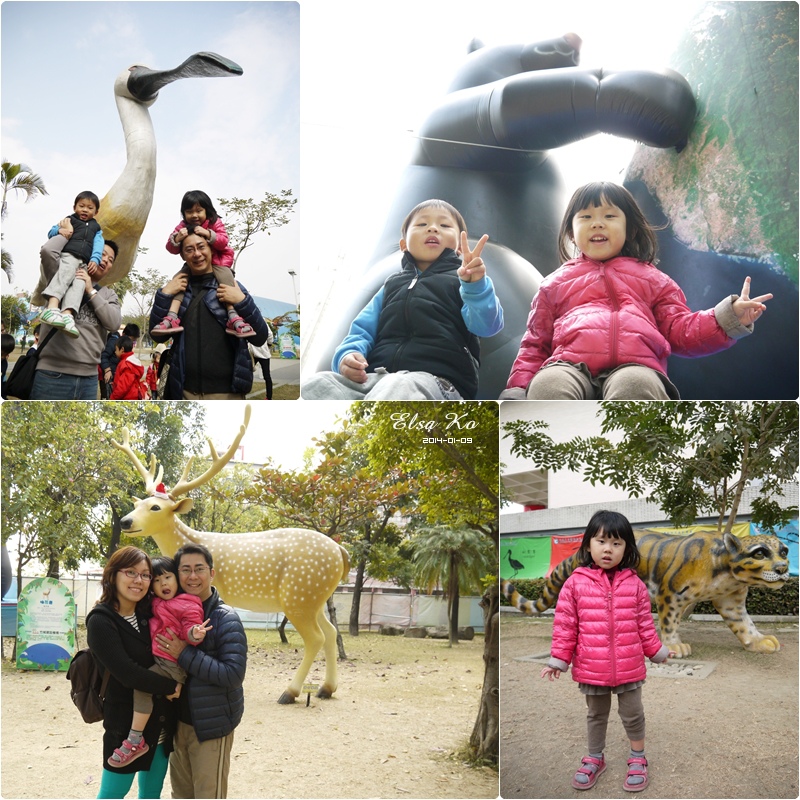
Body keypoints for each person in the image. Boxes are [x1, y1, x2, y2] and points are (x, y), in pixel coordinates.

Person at [501, 182, 773, 400]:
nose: (597, 223)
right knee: (548, 385)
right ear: (572, 233)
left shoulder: (654, 280)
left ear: (630, 229)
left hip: (635, 366)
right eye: (586, 217)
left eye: (609, 216)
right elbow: (535, 346)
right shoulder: (554, 285)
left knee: (635, 385)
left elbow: (680, 330)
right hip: (568, 366)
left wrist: (728, 318)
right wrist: (517, 391)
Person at [302, 199, 504, 400]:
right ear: (403, 244)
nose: (433, 228)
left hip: (437, 382)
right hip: (374, 379)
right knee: (318, 385)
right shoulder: (390, 285)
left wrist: (475, 286)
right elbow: (361, 330)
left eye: (444, 225)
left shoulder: (464, 283)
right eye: (422, 224)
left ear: (460, 246)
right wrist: (348, 355)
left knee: (398, 387)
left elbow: (486, 326)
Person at [541, 511, 674, 793]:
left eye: (617, 543)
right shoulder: (574, 583)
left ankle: (638, 758)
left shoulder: (635, 585)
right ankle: (594, 758)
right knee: (596, 715)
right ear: (588, 544)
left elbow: (645, 626)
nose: (608, 549)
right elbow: (566, 626)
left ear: (627, 549)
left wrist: (658, 651)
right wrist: (559, 659)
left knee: (633, 714)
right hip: (592, 667)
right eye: (601, 541)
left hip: (629, 666)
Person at [85, 546, 180, 799]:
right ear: (113, 575)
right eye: (130, 572)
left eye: (145, 575)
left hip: (160, 722)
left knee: (151, 793)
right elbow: (127, 673)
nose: (139, 581)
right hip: (127, 729)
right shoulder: (101, 620)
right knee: (112, 794)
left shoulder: (148, 614)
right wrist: (172, 687)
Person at [156, 543, 246, 799]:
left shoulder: (224, 618)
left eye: (199, 569)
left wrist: (183, 653)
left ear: (211, 573)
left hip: (210, 727)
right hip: (178, 724)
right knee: (181, 794)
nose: (192, 576)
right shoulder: (171, 608)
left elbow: (233, 674)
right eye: (185, 569)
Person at [108, 556, 210, 769]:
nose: (163, 583)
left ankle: (135, 739)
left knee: (142, 689)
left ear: (177, 580)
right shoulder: (153, 603)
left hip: (172, 665)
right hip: (162, 663)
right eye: (156, 579)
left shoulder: (187, 603)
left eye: (168, 577)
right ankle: (137, 737)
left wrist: (195, 633)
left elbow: (190, 625)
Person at [149, 232, 269, 399]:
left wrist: (242, 301)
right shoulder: (177, 289)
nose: (197, 254)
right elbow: (157, 336)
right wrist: (164, 294)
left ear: (212, 249)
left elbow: (260, 337)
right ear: (183, 255)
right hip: (185, 392)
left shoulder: (231, 286)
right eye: (189, 249)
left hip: (227, 394)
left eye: (201, 247)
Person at [152, 190, 254, 338]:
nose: (194, 215)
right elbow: (170, 248)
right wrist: (177, 238)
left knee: (227, 281)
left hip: (219, 263)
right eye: (189, 211)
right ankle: (172, 316)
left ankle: (233, 315)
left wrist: (208, 234)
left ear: (207, 210)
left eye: (199, 211)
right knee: (179, 281)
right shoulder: (182, 227)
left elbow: (224, 241)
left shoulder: (214, 222)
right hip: (192, 269)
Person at [30, 240, 122, 400]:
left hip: (89, 379)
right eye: (102, 254)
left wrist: (90, 291)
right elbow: (48, 251)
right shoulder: (61, 275)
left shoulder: (109, 295)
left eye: (111, 260)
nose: (106, 260)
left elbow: (114, 323)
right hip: (51, 374)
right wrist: (72, 232)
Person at [34, 191, 105, 338]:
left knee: (79, 286)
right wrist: (61, 230)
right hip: (69, 256)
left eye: (90, 208)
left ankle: (67, 315)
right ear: (74, 207)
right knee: (64, 276)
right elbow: (51, 231)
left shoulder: (96, 228)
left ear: (96, 212)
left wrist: (95, 259)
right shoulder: (69, 220)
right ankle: (52, 308)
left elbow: (99, 245)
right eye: (81, 206)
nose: (85, 210)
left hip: (83, 263)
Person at [102, 323, 141, 393]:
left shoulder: (127, 346)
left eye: (134, 341)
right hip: (110, 376)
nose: (131, 343)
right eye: (131, 340)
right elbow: (104, 355)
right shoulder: (114, 342)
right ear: (124, 334)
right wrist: (107, 370)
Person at [248, 320, 274, 399]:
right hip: (259, 351)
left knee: (247, 373)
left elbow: (270, 334)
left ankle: (269, 397)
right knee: (267, 376)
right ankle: (269, 397)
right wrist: (269, 344)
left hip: (255, 352)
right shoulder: (262, 321)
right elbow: (270, 335)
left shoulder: (248, 320)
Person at [1, 332, 15, 399]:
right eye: (1, 354)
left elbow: (3, 380)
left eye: (6, 354)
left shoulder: (3, 363)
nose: (3, 357)